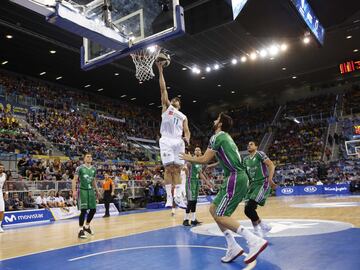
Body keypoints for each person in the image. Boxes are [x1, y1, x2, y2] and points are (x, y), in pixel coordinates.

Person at [180, 113, 268, 265]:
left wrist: (188, 157)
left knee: (221, 215)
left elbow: (204, 159)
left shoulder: (217, 136)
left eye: (217, 119)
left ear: (220, 124)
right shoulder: (226, 137)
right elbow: (214, 161)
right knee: (213, 209)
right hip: (235, 177)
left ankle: (253, 240)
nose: (214, 120)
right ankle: (232, 245)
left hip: (235, 177)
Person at [156, 61, 191, 211]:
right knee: (168, 168)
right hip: (166, 140)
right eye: (174, 99)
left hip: (178, 141)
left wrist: (187, 138)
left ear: (180, 105)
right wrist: (160, 70)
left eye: (177, 100)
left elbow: (187, 131)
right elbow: (163, 88)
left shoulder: (183, 116)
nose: (175, 100)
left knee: (178, 168)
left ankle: (177, 196)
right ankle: (169, 198)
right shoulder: (166, 107)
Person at [243, 141, 276, 238]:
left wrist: (270, 179)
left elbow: (271, 165)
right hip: (252, 185)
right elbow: (245, 175)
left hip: (262, 183)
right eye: (248, 144)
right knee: (247, 210)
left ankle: (257, 231)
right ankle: (263, 226)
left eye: (251, 144)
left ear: (256, 147)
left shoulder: (260, 154)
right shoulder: (245, 159)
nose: (249, 145)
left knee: (250, 207)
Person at [183, 147, 212, 226]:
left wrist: (207, 182)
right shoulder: (191, 160)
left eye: (199, 149)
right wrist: (189, 159)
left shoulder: (200, 162)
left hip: (196, 182)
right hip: (190, 182)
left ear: (201, 152)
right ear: (194, 152)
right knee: (190, 201)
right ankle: (185, 219)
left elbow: (200, 174)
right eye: (195, 150)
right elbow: (186, 166)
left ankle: (193, 220)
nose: (197, 151)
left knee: (194, 201)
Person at [72, 153, 99, 239]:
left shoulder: (94, 169)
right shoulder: (79, 168)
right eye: (87, 156)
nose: (89, 158)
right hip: (82, 190)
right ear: (84, 159)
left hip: (91, 191)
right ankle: (80, 230)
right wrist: (74, 191)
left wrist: (97, 191)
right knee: (83, 211)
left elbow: (94, 181)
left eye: (91, 157)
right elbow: (74, 180)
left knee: (93, 210)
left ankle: (87, 226)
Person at [0, 163, 7, 233]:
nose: (1, 169)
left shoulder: (4, 175)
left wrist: (6, 192)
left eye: (2, 168)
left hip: (0, 193)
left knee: (2, 210)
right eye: (0, 168)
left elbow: (5, 184)